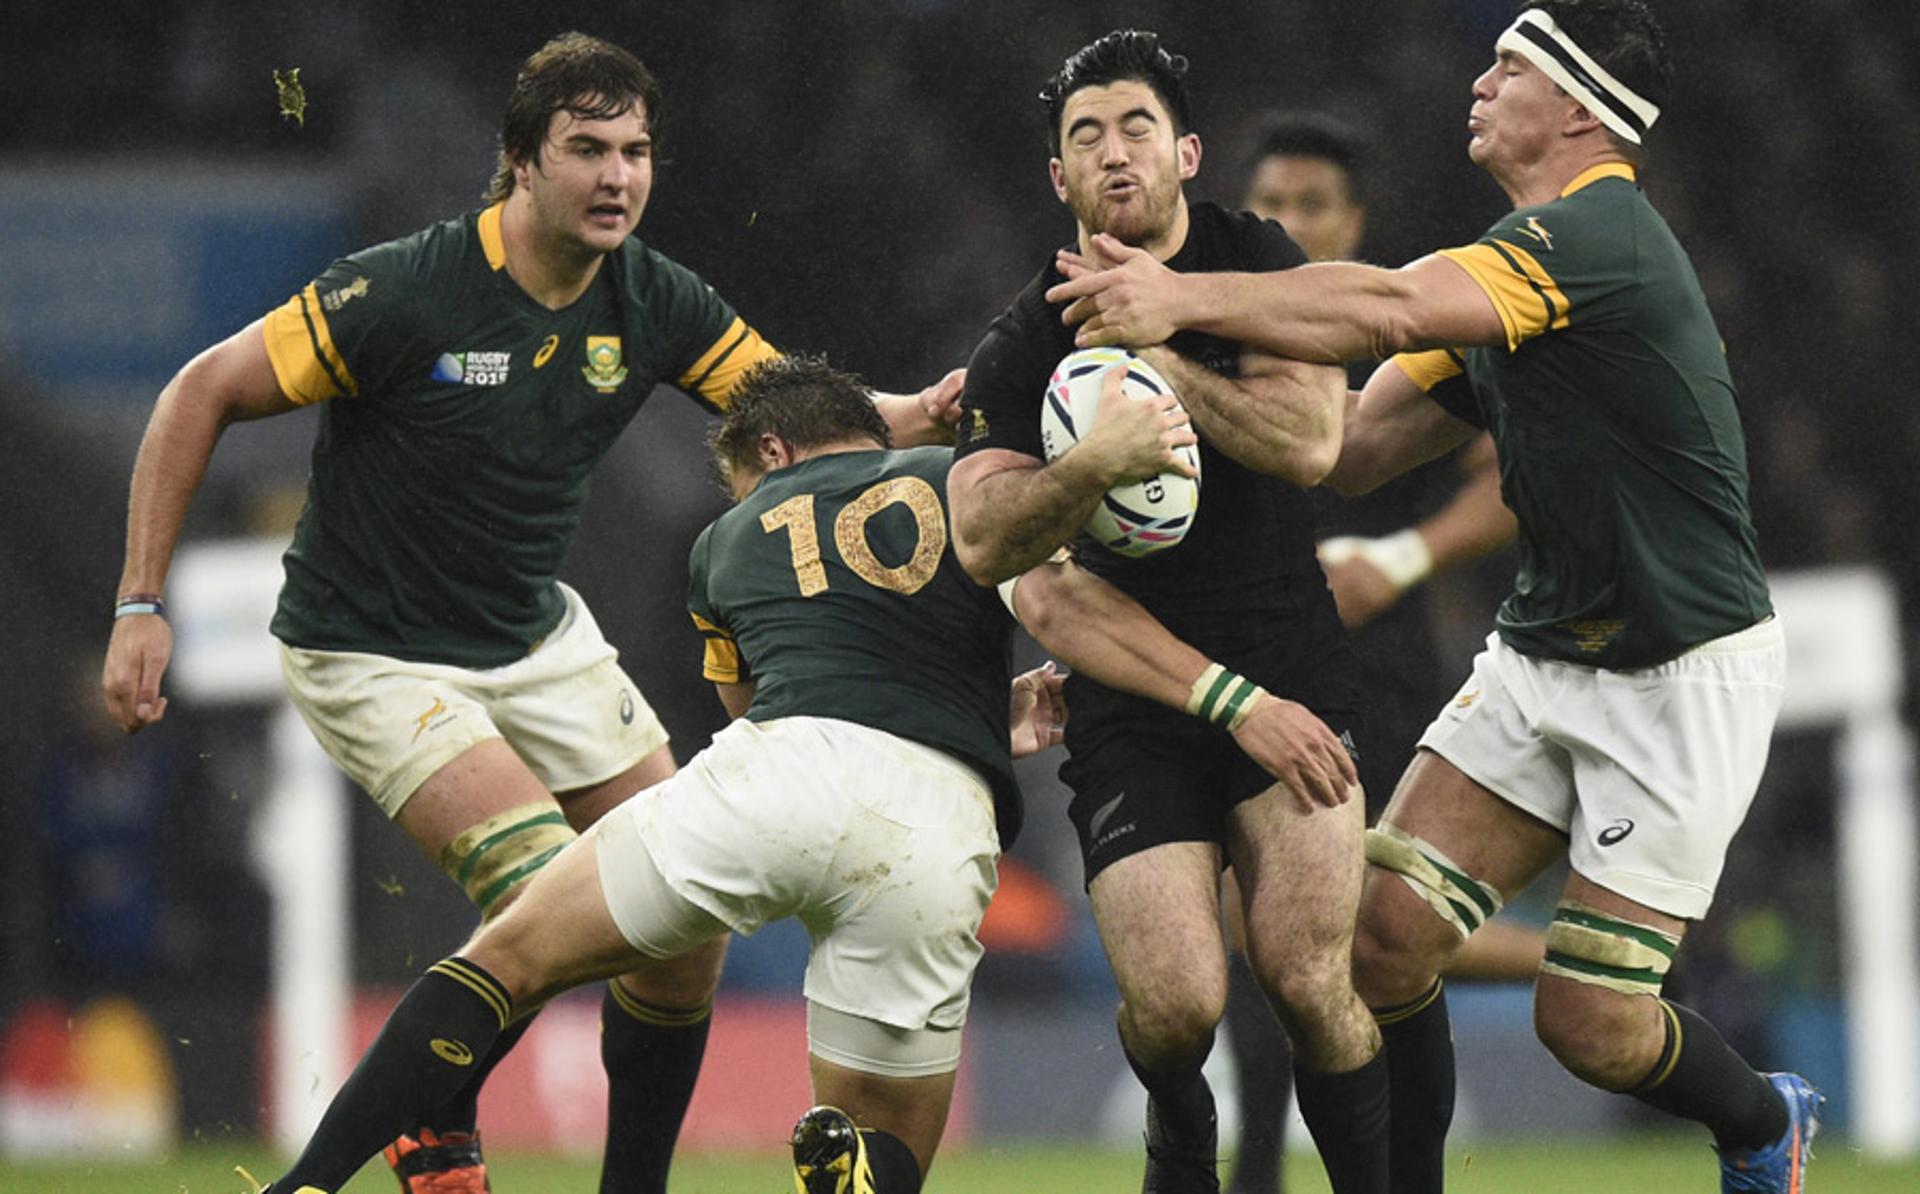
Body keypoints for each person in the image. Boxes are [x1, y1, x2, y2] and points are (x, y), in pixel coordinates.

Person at [99, 32, 961, 1194]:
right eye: (588, 149)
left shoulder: (652, 297)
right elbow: (199, 390)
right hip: (374, 651)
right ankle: (389, 1136)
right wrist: (140, 601)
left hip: (536, 637)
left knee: (685, 916)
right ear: (518, 162)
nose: (618, 177)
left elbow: (807, 417)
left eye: (638, 152)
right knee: (557, 894)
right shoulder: (405, 290)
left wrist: (936, 410)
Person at [246, 353, 1347, 1194]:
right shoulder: (958, 481)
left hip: (780, 774)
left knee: (509, 956)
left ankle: (305, 1186)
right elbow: (1043, 609)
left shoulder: (722, 546)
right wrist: (1008, 707)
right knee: (886, 1135)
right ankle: (859, 1172)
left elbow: (757, 699)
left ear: (768, 454)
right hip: (937, 823)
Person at [1046, 3, 1822, 1191]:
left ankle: (1762, 1122)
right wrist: (1163, 394)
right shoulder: (1516, 272)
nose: (1477, 81)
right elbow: (1347, 451)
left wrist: (1184, 300)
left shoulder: (1594, 239)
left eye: (1507, 65)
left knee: (1589, 1022)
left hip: (1680, 675)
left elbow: (1396, 307)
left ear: (1577, 109)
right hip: (1543, 658)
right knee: (1377, 944)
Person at [948, 31, 1389, 1194]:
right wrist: (1093, 464)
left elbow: (1308, 443)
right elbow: (1002, 553)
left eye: (1136, 126)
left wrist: (1165, 359)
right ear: (1060, 181)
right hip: (1139, 707)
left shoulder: (1259, 263)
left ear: (1187, 151)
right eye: (1083, 138)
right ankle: (1177, 1121)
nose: (1114, 153)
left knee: (1308, 978)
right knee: (1179, 1005)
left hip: (1290, 670)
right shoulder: (1022, 341)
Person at [1222, 113, 1534, 1194]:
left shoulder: (1402, 336)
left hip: (1378, 680)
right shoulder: (1216, 332)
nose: (1290, 222)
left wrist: (1401, 558)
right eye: (1272, 202)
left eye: (1314, 205)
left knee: (1361, 937)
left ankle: (1589, 978)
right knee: (1267, 948)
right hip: (1243, 682)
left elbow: (1509, 473)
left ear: (1355, 226)